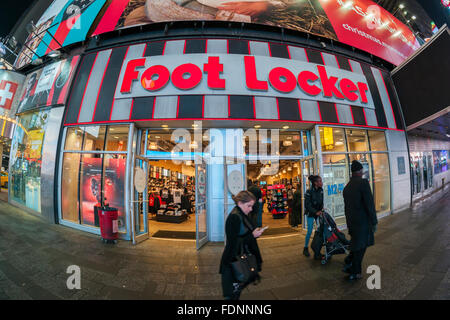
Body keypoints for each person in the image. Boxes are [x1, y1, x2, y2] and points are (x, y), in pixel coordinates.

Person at [219, 190, 265, 300]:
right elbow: (233, 243)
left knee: (236, 293)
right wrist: (252, 236)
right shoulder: (234, 217)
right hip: (234, 262)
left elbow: (245, 233)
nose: (251, 209)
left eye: (252, 206)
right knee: (232, 295)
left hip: (239, 260)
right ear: (240, 203)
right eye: (249, 206)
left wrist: (254, 232)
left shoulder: (241, 214)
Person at [343, 160, 378, 281]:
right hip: (363, 223)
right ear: (360, 171)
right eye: (362, 170)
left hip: (352, 223)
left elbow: (346, 208)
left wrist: (348, 224)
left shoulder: (347, 187)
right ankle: (354, 270)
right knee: (360, 247)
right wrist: (374, 221)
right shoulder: (363, 183)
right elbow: (369, 204)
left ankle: (350, 264)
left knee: (356, 245)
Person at [303, 175, 323, 258]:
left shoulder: (321, 190)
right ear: (315, 183)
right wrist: (316, 212)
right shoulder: (309, 191)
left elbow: (321, 202)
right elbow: (307, 205)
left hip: (318, 213)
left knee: (319, 231)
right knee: (310, 231)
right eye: (320, 181)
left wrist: (321, 209)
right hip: (311, 214)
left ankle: (317, 249)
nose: (321, 183)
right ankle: (305, 248)